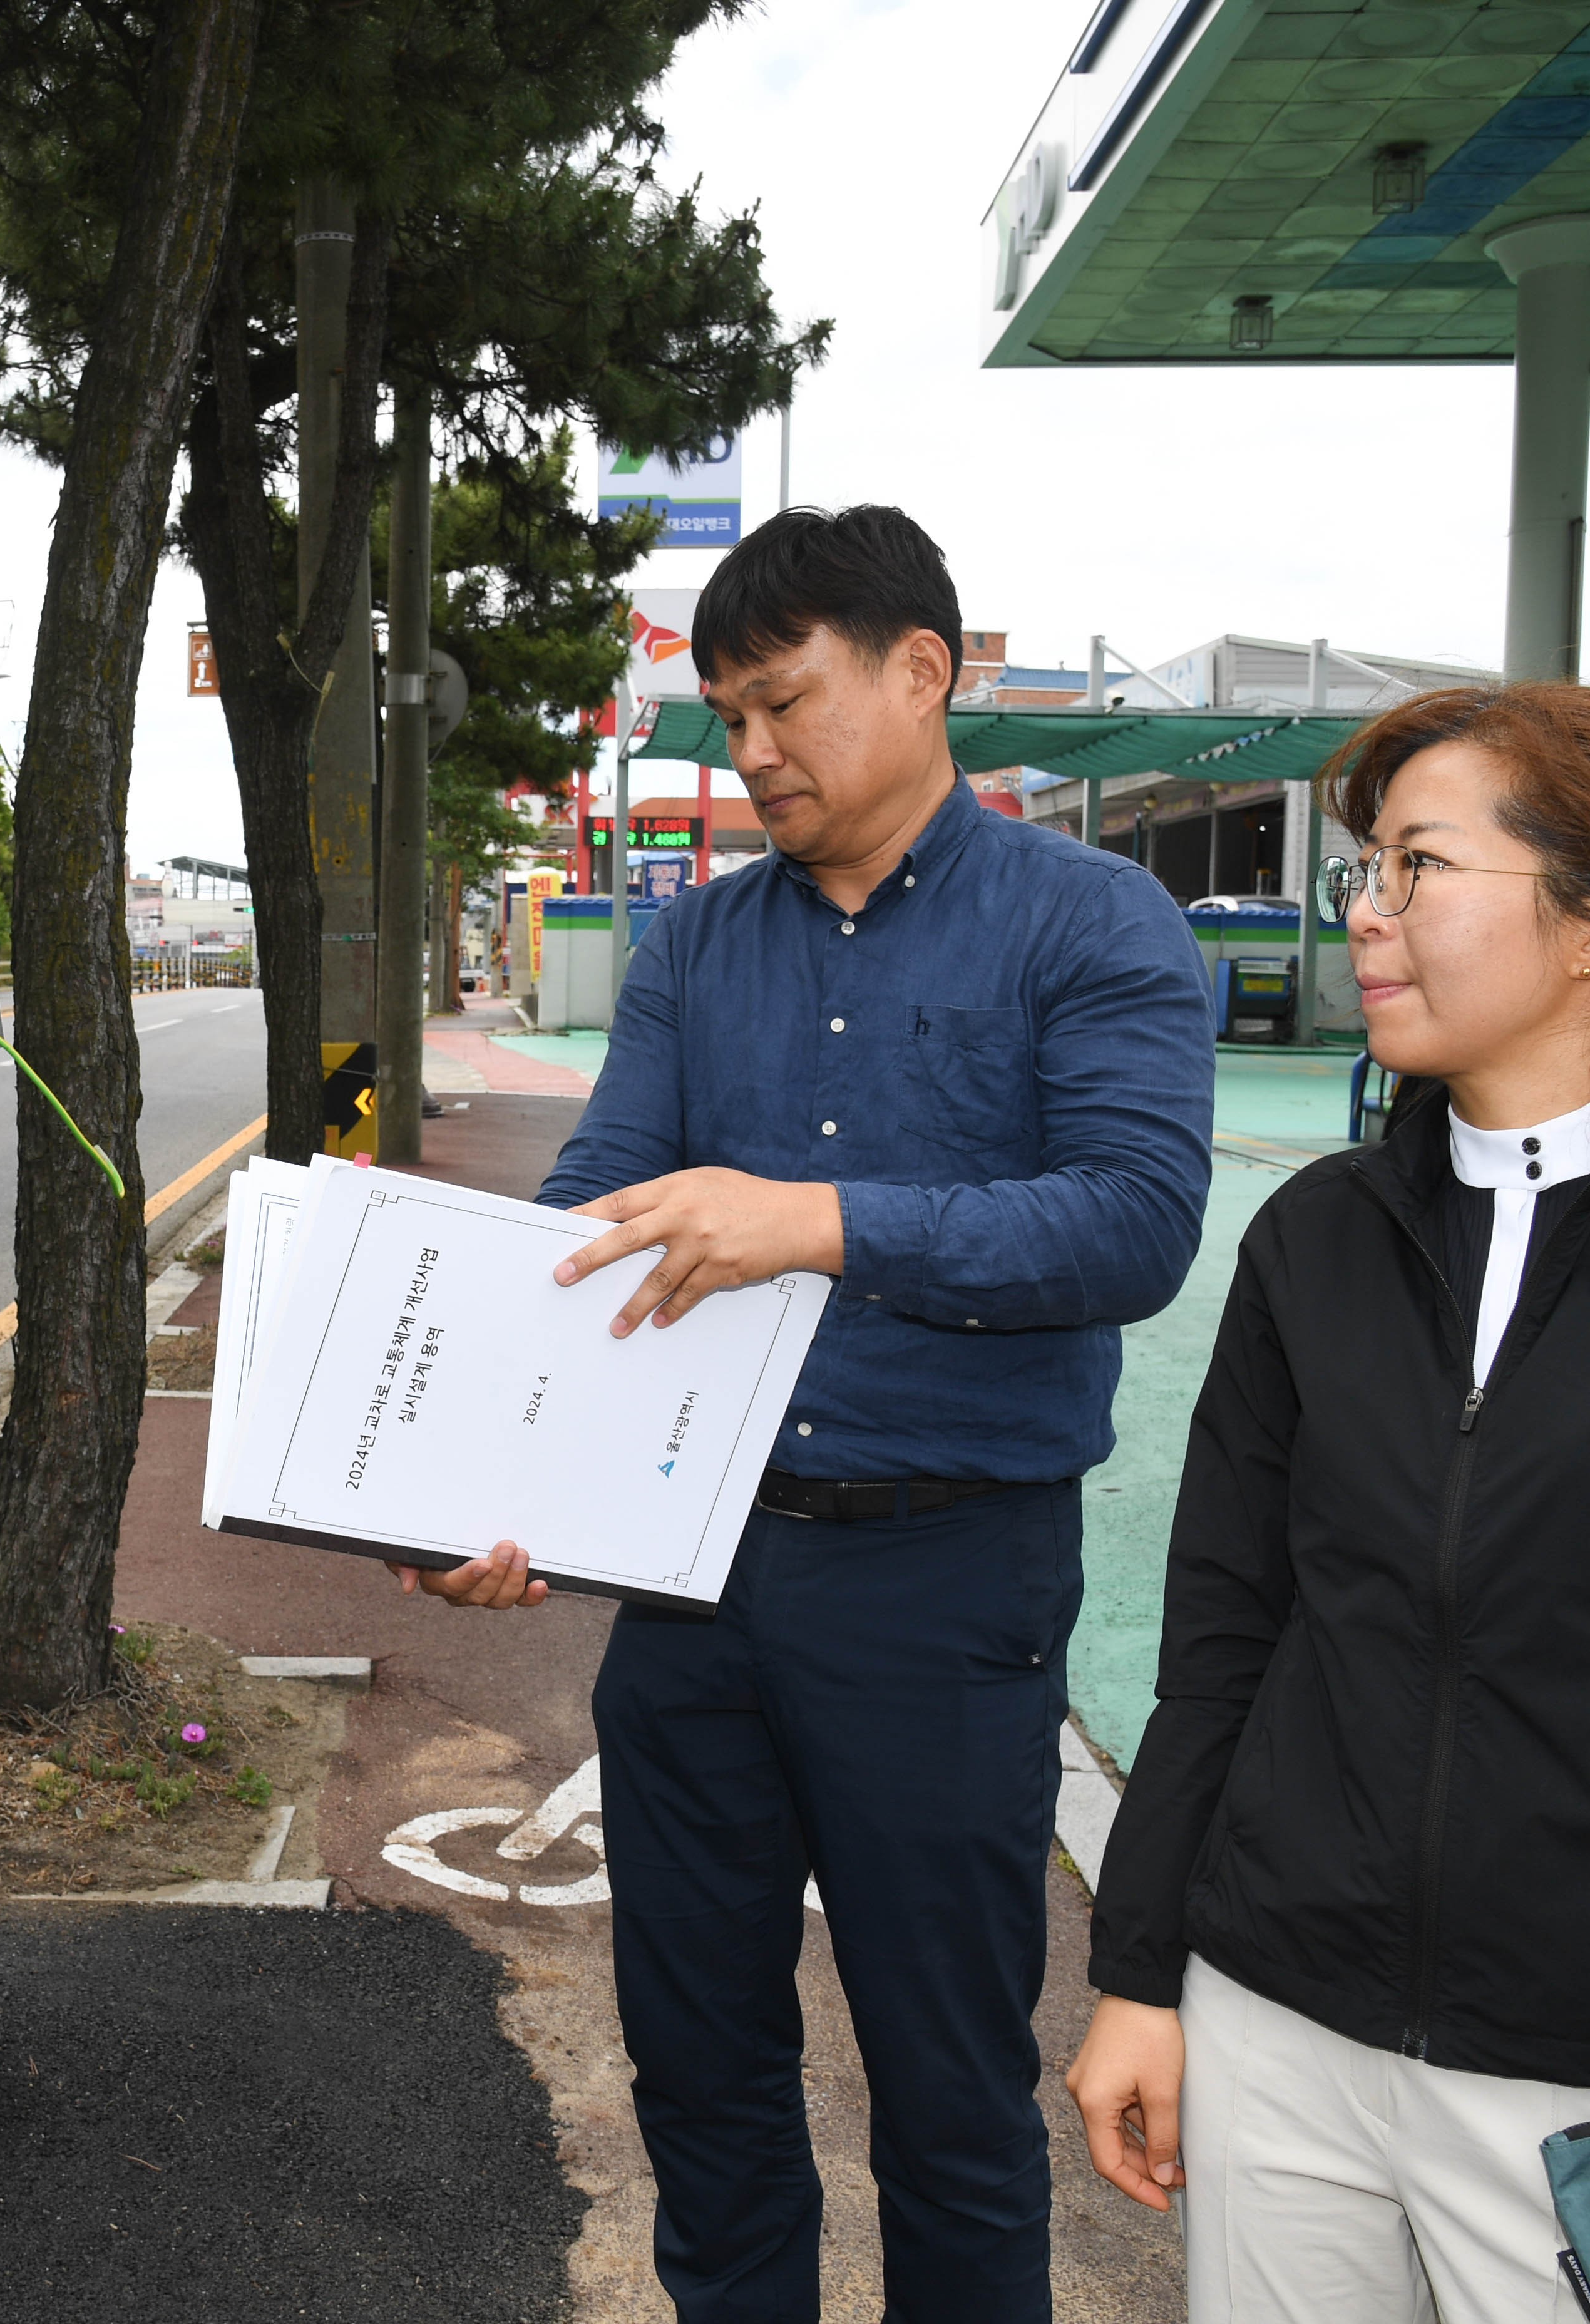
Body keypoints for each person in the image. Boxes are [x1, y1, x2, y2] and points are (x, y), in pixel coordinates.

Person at [399, 505, 1218, 2320]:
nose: (753, 752)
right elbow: (593, 1207)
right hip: (688, 1583)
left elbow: (1138, 1221)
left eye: (785, 705)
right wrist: (473, 1471)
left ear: (924, 673)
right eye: (731, 718)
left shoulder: (1094, 922)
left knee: (946, 2092)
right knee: (700, 2069)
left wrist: (816, 1224)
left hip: (948, 1587)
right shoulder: (700, 947)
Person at [1066, 686, 1590, 2324]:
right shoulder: (1313, 1238)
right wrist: (1142, 1977)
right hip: (1276, 2033)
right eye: (1366, 875)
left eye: (1418, 868)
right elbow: (1224, 1649)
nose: (1367, 919)